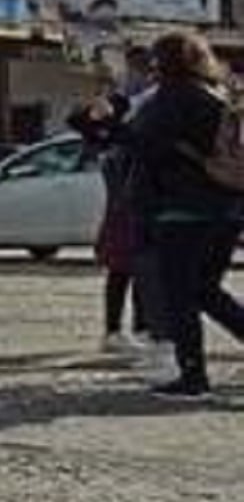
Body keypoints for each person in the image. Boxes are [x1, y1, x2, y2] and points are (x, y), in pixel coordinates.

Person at [126, 31, 244, 401]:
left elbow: (141, 145)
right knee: (206, 288)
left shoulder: (167, 100)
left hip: (180, 209)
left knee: (179, 294)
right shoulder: (219, 96)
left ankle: (192, 377)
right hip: (226, 207)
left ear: (162, 63)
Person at [73, 87, 155, 357]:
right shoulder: (118, 134)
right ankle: (117, 331)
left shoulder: (123, 133)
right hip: (124, 206)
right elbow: (79, 120)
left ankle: (139, 327)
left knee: (138, 270)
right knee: (123, 270)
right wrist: (101, 111)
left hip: (129, 205)